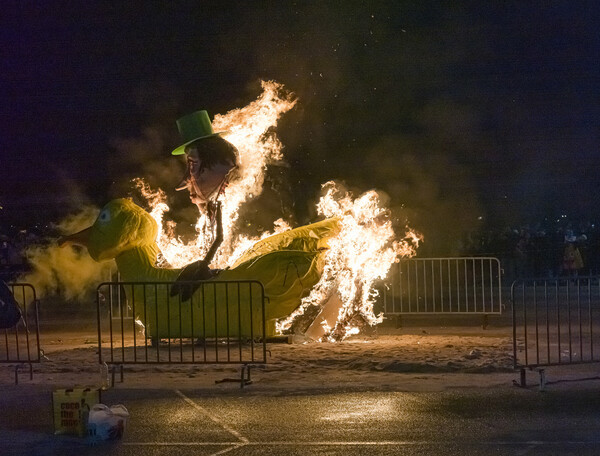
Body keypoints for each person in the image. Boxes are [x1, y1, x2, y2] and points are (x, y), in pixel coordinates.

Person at [169, 110, 238, 299]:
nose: (192, 171)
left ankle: (207, 270)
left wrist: (201, 267)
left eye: (193, 163)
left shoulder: (205, 156)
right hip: (216, 198)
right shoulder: (222, 153)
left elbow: (220, 237)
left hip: (219, 198)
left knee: (219, 234)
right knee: (215, 232)